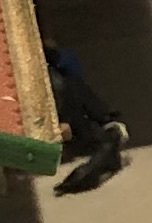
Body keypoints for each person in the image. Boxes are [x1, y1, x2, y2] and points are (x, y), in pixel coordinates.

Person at [47, 43, 128, 194]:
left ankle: (108, 128)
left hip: (71, 119)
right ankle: (109, 129)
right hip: (62, 121)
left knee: (71, 81)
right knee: (69, 83)